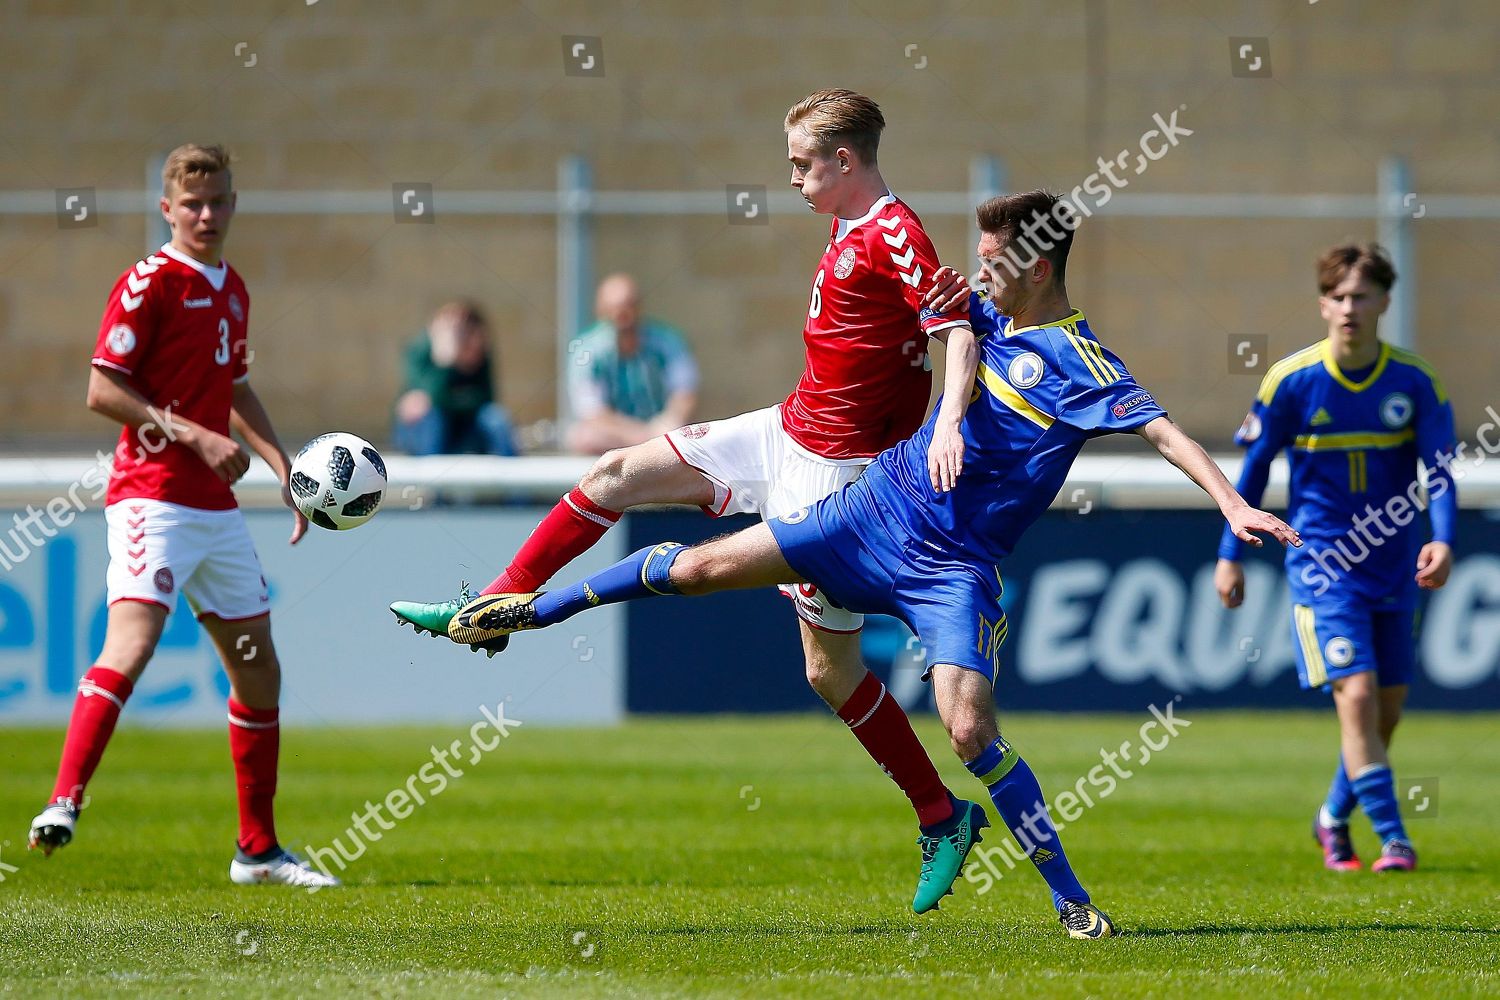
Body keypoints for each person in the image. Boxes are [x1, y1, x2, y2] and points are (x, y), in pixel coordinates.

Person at [425, 190, 1301, 938]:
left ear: (1038, 265)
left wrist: (1231, 504)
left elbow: (1163, 430)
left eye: (994, 258)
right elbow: (939, 331)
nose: (978, 269)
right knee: (698, 573)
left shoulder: (1084, 362)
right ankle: (527, 610)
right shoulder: (976, 313)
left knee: (969, 729)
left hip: (953, 565)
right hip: (871, 511)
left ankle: (1073, 905)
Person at [393, 89, 988, 914]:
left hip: (838, 482)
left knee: (827, 670)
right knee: (612, 475)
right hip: (786, 429)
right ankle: (498, 602)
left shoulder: (895, 231)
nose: (790, 179)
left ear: (845, 161)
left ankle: (943, 816)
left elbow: (956, 331)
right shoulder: (850, 225)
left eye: (800, 163)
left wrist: (949, 421)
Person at [26, 144, 338, 888]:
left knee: (259, 673)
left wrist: (281, 464)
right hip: (150, 495)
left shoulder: (232, 288)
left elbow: (233, 384)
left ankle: (256, 851)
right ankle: (64, 802)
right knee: (129, 647)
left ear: (234, 204)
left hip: (214, 508)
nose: (207, 214)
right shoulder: (147, 284)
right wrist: (193, 433)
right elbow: (103, 389)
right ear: (167, 209)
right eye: (192, 204)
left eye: (219, 201)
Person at [1214, 243, 1456, 873]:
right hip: (1323, 565)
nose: (1350, 307)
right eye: (1339, 296)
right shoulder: (1292, 381)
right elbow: (1256, 469)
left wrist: (1444, 538)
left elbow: (1440, 472)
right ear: (1324, 303)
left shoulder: (1415, 381)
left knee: (1385, 712)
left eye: (1362, 296)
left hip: (1394, 564)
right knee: (1355, 694)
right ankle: (1395, 838)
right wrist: (1229, 554)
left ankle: (1330, 817)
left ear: (1384, 302)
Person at [565, 274, 699, 454]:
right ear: (601, 311)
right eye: (614, 309)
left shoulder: (667, 341)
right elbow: (591, 411)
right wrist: (639, 435)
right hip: (615, 436)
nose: (623, 316)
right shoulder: (586, 349)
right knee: (583, 437)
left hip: (661, 430)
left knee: (688, 433)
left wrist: (667, 423)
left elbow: (685, 392)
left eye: (628, 306)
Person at [394, 300, 518, 456]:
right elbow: (425, 400)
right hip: (426, 429)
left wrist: (452, 399)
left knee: (496, 418)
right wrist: (445, 361)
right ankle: (430, 476)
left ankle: (512, 474)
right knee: (432, 418)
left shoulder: (478, 354)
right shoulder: (421, 349)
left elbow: (486, 397)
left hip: (465, 427)